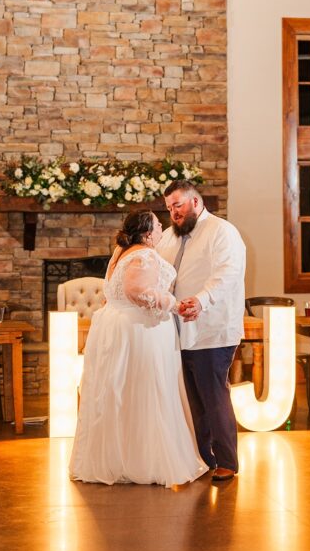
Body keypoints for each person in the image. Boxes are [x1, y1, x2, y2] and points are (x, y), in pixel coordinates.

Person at [70, 209, 207, 488]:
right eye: (158, 225)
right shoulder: (144, 254)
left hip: (117, 326)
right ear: (146, 233)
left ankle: (119, 458)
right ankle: (146, 461)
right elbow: (137, 292)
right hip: (140, 330)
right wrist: (174, 305)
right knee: (146, 389)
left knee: (122, 391)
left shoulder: (120, 252)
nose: (162, 228)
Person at [157, 181, 246, 483]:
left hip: (212, 328)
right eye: (169, 208)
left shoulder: (222, 232)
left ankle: (227, 462)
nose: (174, 213)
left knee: (213, 394)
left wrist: (202, 300)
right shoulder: (167, 237)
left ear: (196, 202)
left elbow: (228, 274)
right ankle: (203, 458)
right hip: (177, 330)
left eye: (178, 205)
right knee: (192, 399)